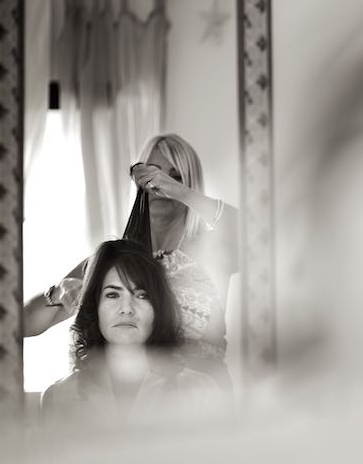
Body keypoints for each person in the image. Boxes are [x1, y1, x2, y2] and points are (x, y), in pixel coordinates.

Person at [24, 133, 240, 390]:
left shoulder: (213, 248)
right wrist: (58, 292)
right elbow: (23, 324)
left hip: (203, 396)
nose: (159, 182)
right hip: (132, 399)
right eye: (153, 172)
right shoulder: (115, 260)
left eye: (176, 176)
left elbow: (260, 233)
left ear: (190, 184)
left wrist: (178, 191)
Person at [40, 239, 225, 432]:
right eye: (113, 295)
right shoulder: (56, 398)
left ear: (158, 308)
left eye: (142, 295)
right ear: (95, 307)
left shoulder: (201, 392)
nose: (127, 308)